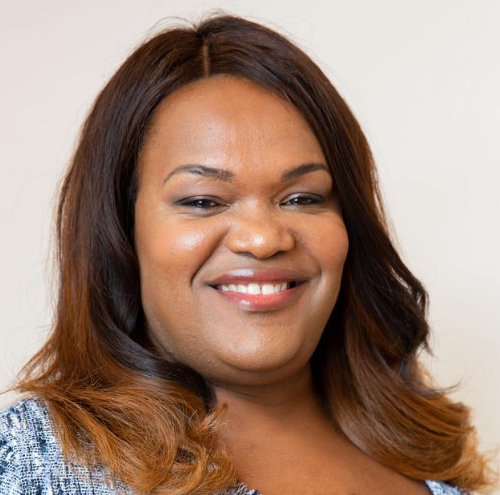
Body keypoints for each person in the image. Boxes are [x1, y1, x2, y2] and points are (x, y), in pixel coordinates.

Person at [0, 13, 496, 495]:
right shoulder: (29, 460)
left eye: (302, 198)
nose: (263, 239)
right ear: (121, 230)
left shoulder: (434, 466)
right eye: (202, 201)